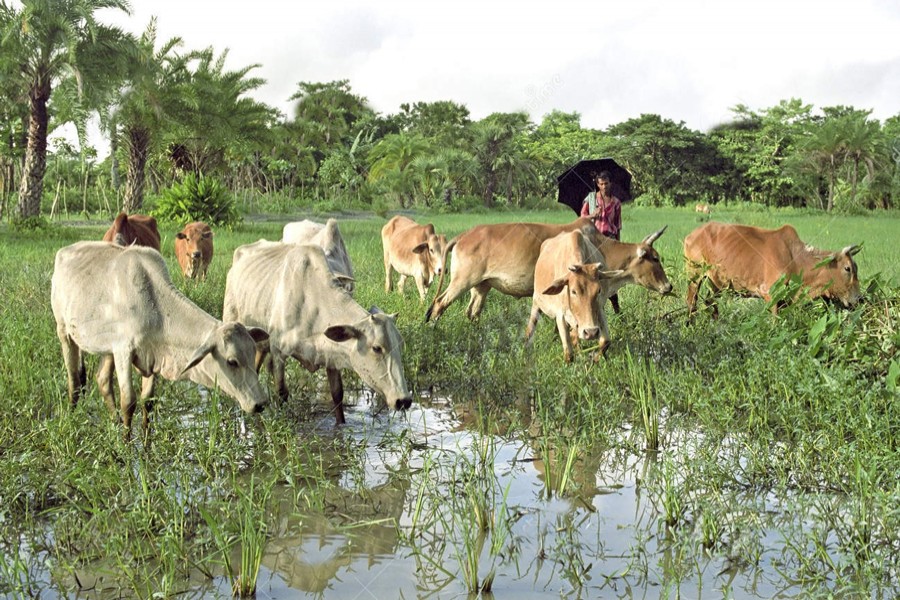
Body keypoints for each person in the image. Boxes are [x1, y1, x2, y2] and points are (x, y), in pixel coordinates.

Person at [580, 171, 623, 312]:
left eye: (606, 183)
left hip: (609, 240)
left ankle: (616, 306)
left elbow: (618, 226)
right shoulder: (591, 199)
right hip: (594, 239)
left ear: (610, 183)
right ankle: (598, 306)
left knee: (609, 273)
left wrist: (618, 245)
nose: (604, 186)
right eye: (601, 184)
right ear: (597, 184)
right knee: (595, 272)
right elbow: (582, 218)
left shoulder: (616, 203)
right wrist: (593, 214)